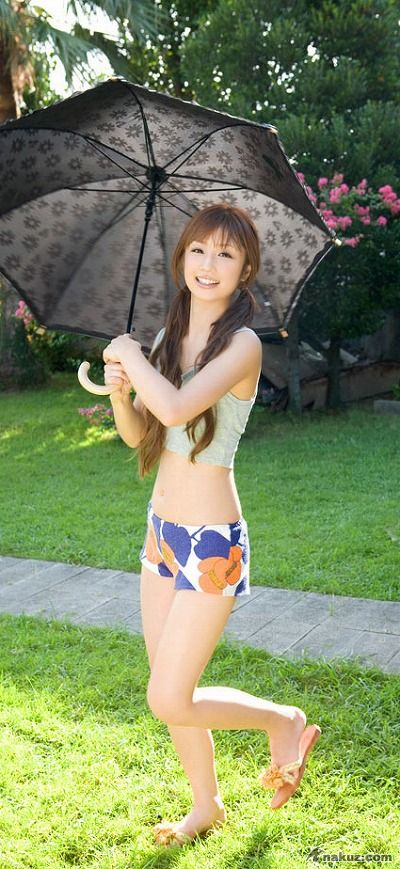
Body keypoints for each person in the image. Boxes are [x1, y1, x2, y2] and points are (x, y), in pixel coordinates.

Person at [102, 203, 321, 847]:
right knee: (170, 687)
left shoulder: (244, 345)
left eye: (225, 253)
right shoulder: (168, 339)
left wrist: (131, 355)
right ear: (182, 259)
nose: (208, 263)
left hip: (211, 543)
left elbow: (174, 406)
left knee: (169, 697)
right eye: (198, 250)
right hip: (161, 535)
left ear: (245, 268)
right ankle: (207, 806)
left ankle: (282, 720)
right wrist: (120, 389)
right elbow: (143, 432)